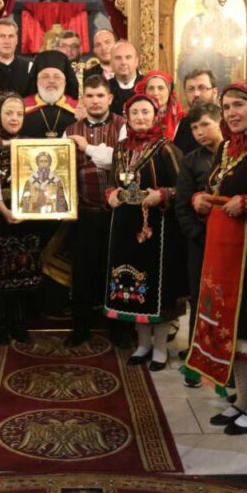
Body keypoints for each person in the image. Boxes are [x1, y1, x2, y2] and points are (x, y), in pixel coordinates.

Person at [185, 82, 247, 436]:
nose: (232, 113)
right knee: (232, 327)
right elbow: (217, 186)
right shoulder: (226, 147)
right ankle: (243, 398)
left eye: (239, 105)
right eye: (226, 107)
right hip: (222, 249)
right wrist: (200, 199)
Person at [103, 93, 184, 371]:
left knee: (156, 289)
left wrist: (162, 194)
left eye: (145, 112)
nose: (140, 117)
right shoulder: (120, 148)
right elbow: (112, 181)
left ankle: (160, 348)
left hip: (158, 229)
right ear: (127, 117)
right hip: (125, 226)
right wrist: (111, 193)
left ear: (155, 116)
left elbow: (183, 188)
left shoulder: (166, 148)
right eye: (135, 112)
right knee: (132, 285)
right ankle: (142, 345)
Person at [64, 74, 126, 347]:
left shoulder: (123, 126)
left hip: (117, 213)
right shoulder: (70, 129)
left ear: (109, 98)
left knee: (116, 270)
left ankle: (119, 329)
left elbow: (122, 162)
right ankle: (81, 328)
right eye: (90, 96)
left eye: (100, 95)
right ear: (83, 99)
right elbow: (63, 169)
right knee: (82, 272)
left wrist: (89, 149)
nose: (95, 100)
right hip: (84, 212)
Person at [0, 92, 42, 344]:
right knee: (1, 272)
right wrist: (5, 211)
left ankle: (19, 323)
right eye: (8, 113)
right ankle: (0, 324)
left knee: (23, 269)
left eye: (19, 114)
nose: (14, 118)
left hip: (27, 215)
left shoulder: (30, 143)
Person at [173, 102, 224, 383]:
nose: (200, 132)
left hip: (231, 241)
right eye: (194, 128)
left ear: (219, 122)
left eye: (205, 125)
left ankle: (224, 358)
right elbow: (182, 204)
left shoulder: (236, 155)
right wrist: (197, 235)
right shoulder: (191, 160)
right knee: (199, 297)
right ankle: (196, 356)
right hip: (201, 240)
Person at [21, 50, 79, 138]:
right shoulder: (22, 108)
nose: (51, 81)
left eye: (57, 77)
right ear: (36, 81)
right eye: (45, 76)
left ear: (65, 82)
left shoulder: (77, 109)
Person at [173, 69, 219, 154]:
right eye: (191, 89)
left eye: (202, 88)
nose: (196, 94)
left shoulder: (226, 119)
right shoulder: (183, 123)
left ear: (214, 92)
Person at [136, 70, 184, 141]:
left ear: (169, 91)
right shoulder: (136, 117)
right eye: (151, 88)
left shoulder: (181, 118)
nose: (155, 93)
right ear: (145, 92)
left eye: (161, 88)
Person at [0, 18, 32, 95]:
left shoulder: (29, 67)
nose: (7, 41)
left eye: (11, 36)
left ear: (17, 40)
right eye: (2, 36)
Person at [108, 41, 144, 115]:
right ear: (111, 62)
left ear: (136, 61)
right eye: (118, 58)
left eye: (128, 57)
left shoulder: (147, 85)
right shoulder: (104, 88)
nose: (123, 62)